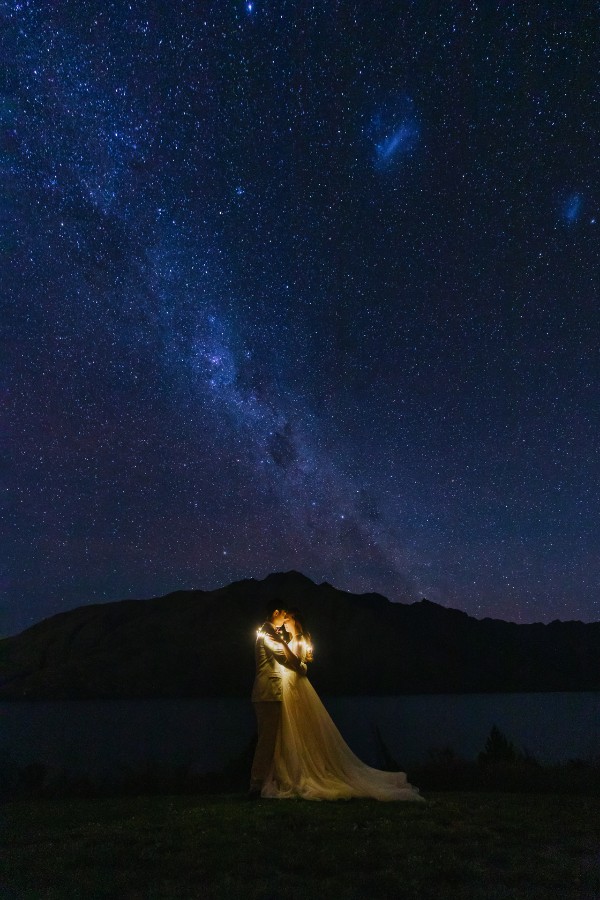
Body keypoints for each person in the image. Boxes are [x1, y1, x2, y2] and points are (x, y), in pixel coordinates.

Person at [261, 610, 424, 802]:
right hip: (291, 688)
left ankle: (303, 771)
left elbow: (297, 664)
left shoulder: (297, 640)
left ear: (295, 621)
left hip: (294, 689)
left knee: (300, 729)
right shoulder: (297, 640)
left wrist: (281, 645)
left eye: (288, 618)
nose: (285, 620)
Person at [249, 600, 304, 799]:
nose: (285, 619)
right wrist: (299, 662)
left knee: (272, 739)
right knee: (267, 740)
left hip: (269, 693)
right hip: (268, 693)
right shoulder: (267, 633)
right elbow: (283, 658)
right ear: (276, 612)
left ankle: (270, 781)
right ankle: (256, 784)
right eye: (283, 615)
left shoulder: (268, 632)